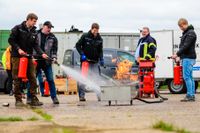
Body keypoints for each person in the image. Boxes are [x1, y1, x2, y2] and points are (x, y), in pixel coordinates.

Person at [8, 13, 48, 107]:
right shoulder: (18, 28)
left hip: (29, 57)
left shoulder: (34, 32)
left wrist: (42, 53)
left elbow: (36, 45)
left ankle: (33, 99)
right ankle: (18, 100)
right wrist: (18, 49)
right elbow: (11, 40)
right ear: (29, 20)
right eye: (34, 21)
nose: (35, 23)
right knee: (17, 78)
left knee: (33, 78)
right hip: (17, 57)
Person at [31, 21, 59, 104]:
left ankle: (54, 98)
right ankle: (29, 98)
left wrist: (54, 57)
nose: (49, 29)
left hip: (47, 62)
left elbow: (54, 50)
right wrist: (31, 56)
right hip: (36, 61)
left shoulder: (53, 38)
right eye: (48, 27)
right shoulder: (35, 34)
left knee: (50, 79)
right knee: (32, 80)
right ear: (43, 26)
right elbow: (31, 46)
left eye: (50, 28)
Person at [76, 23, 104, 102]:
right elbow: (78, 45)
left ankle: (99, 96)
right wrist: (82, 54)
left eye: (97, 30)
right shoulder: (85, 36)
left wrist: (101, 58)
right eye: (94, 30)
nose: (96, 32)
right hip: (86, 62)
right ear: (91, 29)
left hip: (95, 62)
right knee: (83, 79)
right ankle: (81, 96)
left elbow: (100, 50)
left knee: (97, 79)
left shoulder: (99, 38)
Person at [172, 18, 197, 102]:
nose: (181, 28)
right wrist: (180, 56)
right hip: (188, 57)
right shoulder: (188, 33)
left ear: (185, 24)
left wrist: (177, 54)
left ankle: (190, 95)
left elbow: (186, 46)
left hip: (188, 58)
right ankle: (192, 95)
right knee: (190, 77)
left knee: (186, 77)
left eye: (181, 26)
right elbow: (185, 47)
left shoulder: (190, 33)